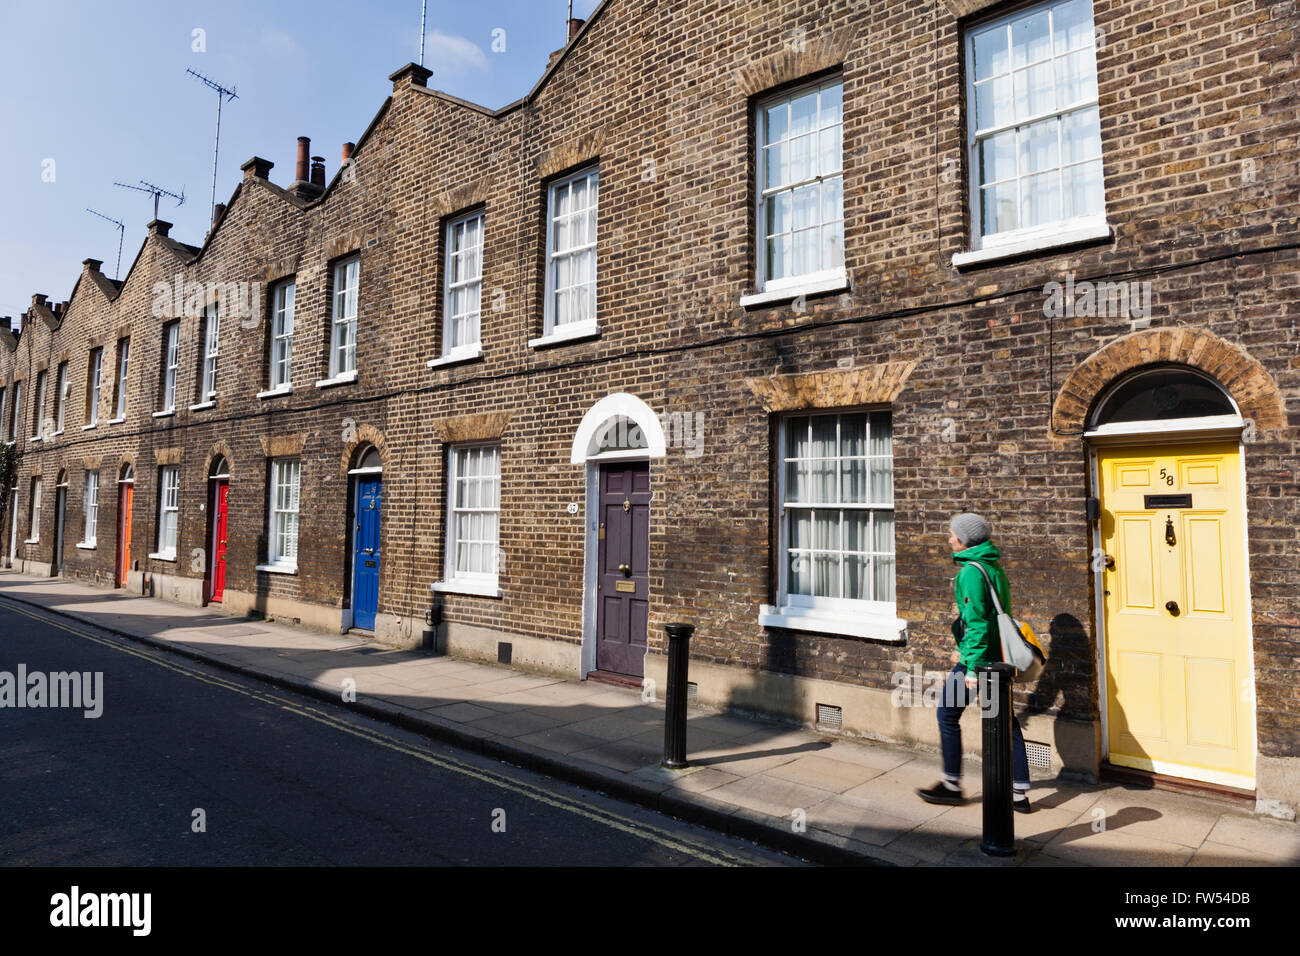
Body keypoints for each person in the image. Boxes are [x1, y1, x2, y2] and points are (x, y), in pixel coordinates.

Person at [916, 513, 1032, 812]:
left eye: (952, 534)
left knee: (947, 714)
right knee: (1005, 721)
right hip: (997, 659)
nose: (949, 539)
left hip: (979, 663)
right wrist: (965, 650)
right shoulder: (993, 566)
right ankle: (1019, 792)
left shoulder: (970, 571)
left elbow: (977, 622)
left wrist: (969, 666)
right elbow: (992, 618)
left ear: (964, 539)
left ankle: (951, 785)